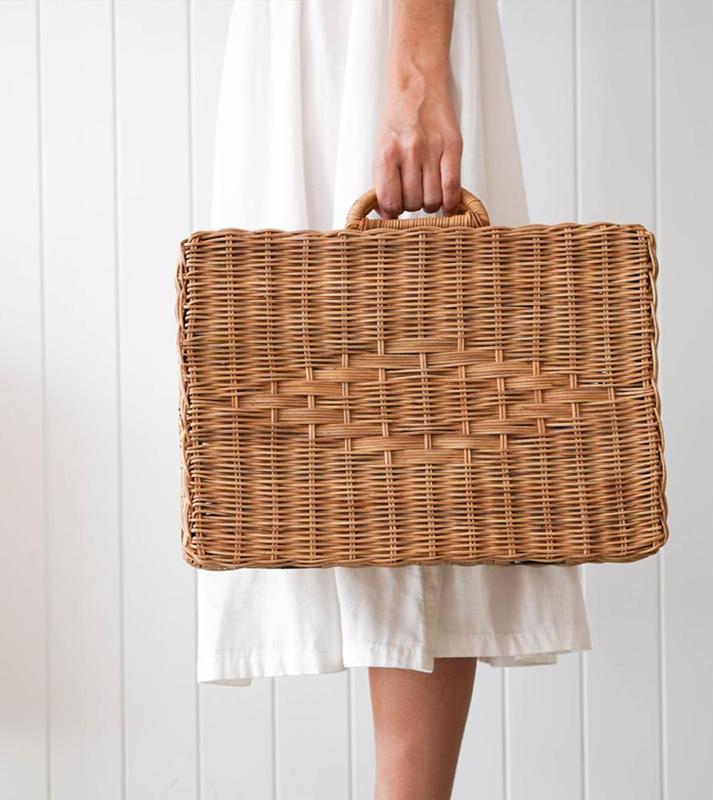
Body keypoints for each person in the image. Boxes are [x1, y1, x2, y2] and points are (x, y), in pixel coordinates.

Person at [204, 2, 592, 797]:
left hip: (377, 34)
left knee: (429, 410)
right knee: (373, 432)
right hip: (296, 38)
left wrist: (416, 68)